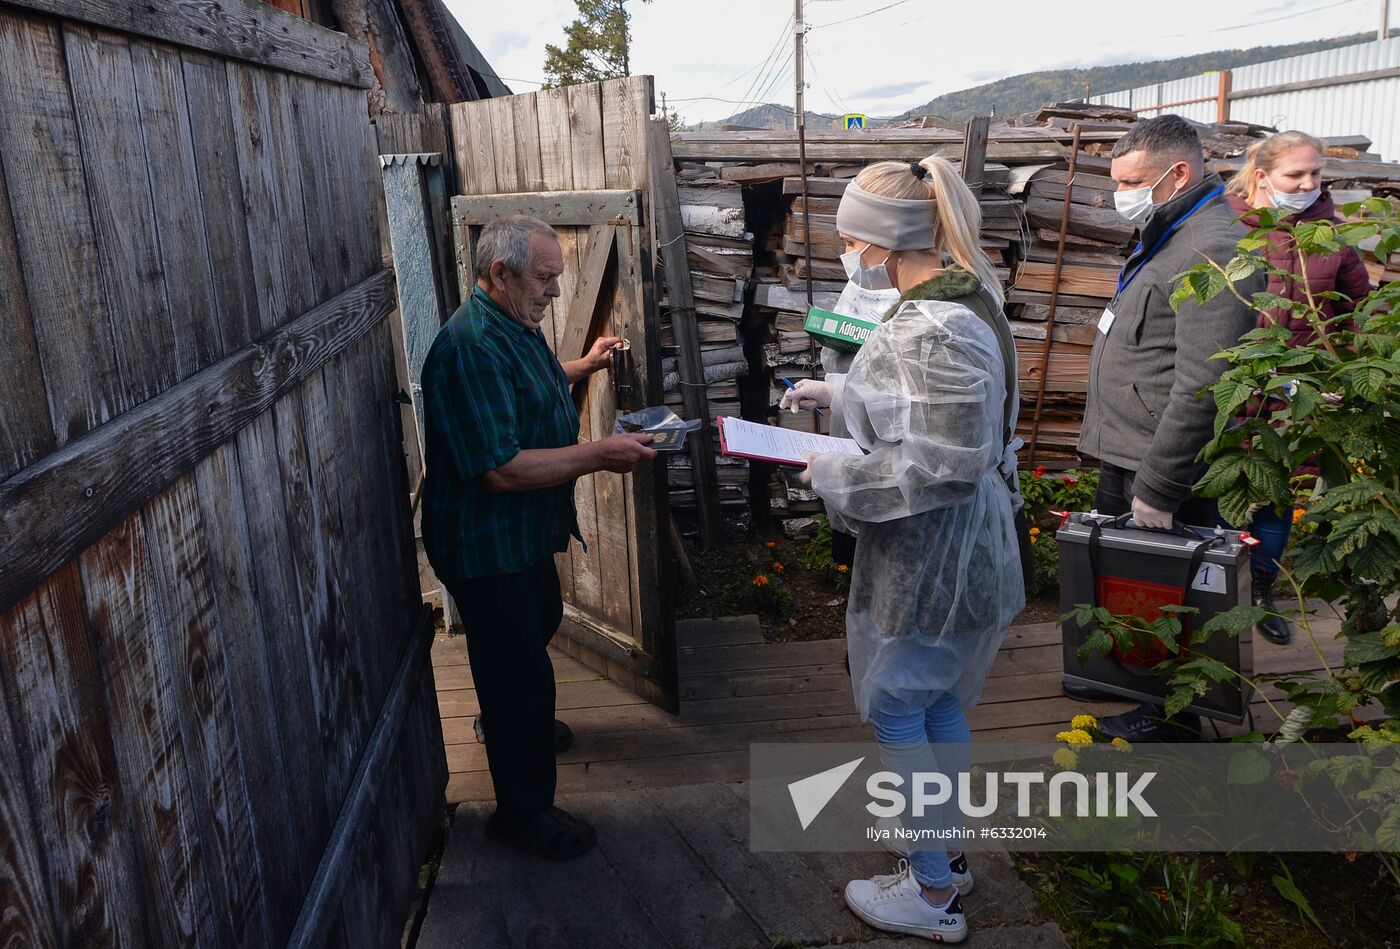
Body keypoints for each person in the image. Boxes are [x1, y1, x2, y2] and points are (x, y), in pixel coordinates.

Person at [781, 157, 1025, 944]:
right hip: (964, 545)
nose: (846, 255)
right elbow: (942, 413)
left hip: (934, 553)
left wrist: (832, 472)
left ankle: (928, 895)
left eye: (850, 239)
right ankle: (946, 855)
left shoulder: (933, 326)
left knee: (893, 702)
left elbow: (938, 466)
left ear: (885, 243)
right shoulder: (967, 296)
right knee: (936, 696)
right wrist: (844, 393)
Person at [420, 214, 657, 859]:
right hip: (484, 542)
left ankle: (514, 729)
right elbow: (500, 469)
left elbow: (534, 385)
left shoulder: (510, 327)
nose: (556, 289)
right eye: (545, 277)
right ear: (500, 273)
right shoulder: (470, 347)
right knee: (515, 672)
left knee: (537, 625)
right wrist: (600, 452)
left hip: (518, 538)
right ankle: (521, 813)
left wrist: (585, 363)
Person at [1069, 115, 1262, 741]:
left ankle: (1172, 717)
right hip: (1130, 449)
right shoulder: (1171, 230)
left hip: (1162, 465)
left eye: (1132, 181)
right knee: (1129, 586)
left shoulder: (1215, 247)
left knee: (1168, 593)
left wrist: (1159, 483)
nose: (1119, 195)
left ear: (1178, 173)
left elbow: (1205, 384)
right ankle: (1125, 673)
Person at [1224, 130, 1372, 646]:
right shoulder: (1228, 225)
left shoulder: (1332, 235)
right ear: (1262, 176)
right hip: (1231, 384)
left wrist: (1337, 373)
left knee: (1277, 495)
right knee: (1214, 487)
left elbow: (1358, 311)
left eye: (1315, 174)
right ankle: (1207, 591)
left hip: (1296, 392)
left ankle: (1262, 591)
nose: (1308, 183)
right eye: (1295, 175)